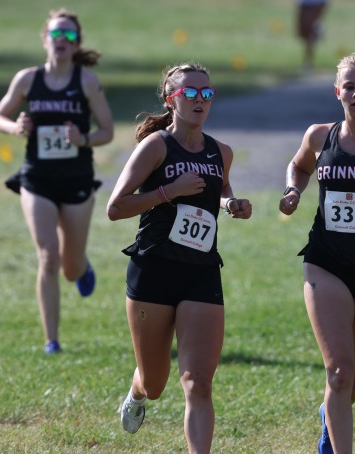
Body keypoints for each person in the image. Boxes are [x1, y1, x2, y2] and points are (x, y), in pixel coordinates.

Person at [107, 62, 252, 453]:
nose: (200, 100)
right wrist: (169, 191)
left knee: (199, 381)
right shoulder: (155, 146)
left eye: (206, 93)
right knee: (155, 383)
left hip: (201, 271)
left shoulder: (221, 151)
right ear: (171, 100)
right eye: (189, 93)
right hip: (153, 270)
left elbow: (217, 191)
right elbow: (116, 207)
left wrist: (231, 203)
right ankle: (137, 393)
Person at [279, 51, 355, 453]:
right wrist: (294, 189)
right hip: (325, 265)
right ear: (337, 92)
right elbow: (298, 166)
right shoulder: (320, 135)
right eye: (349, 86)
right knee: (338, 373)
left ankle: (329, 416)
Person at [0, 8, 114, 354]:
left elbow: (107, 131)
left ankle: (82, 266)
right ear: (45, 39)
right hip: (37, 178)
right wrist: (15, 127)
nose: (62, 40)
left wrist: (84, 139)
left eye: (69, 35)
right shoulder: (27, 79)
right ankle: (52, 341)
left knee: (70, 268)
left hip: (76, 178)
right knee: (48, 256)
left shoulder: (87, 82)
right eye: (56, 34)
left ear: (77, 44)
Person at [296, 0, 330, 71]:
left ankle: (307, 63)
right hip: (304, 5)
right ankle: (307, 63)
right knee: (304, 36)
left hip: (315, 5)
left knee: (309, 36)